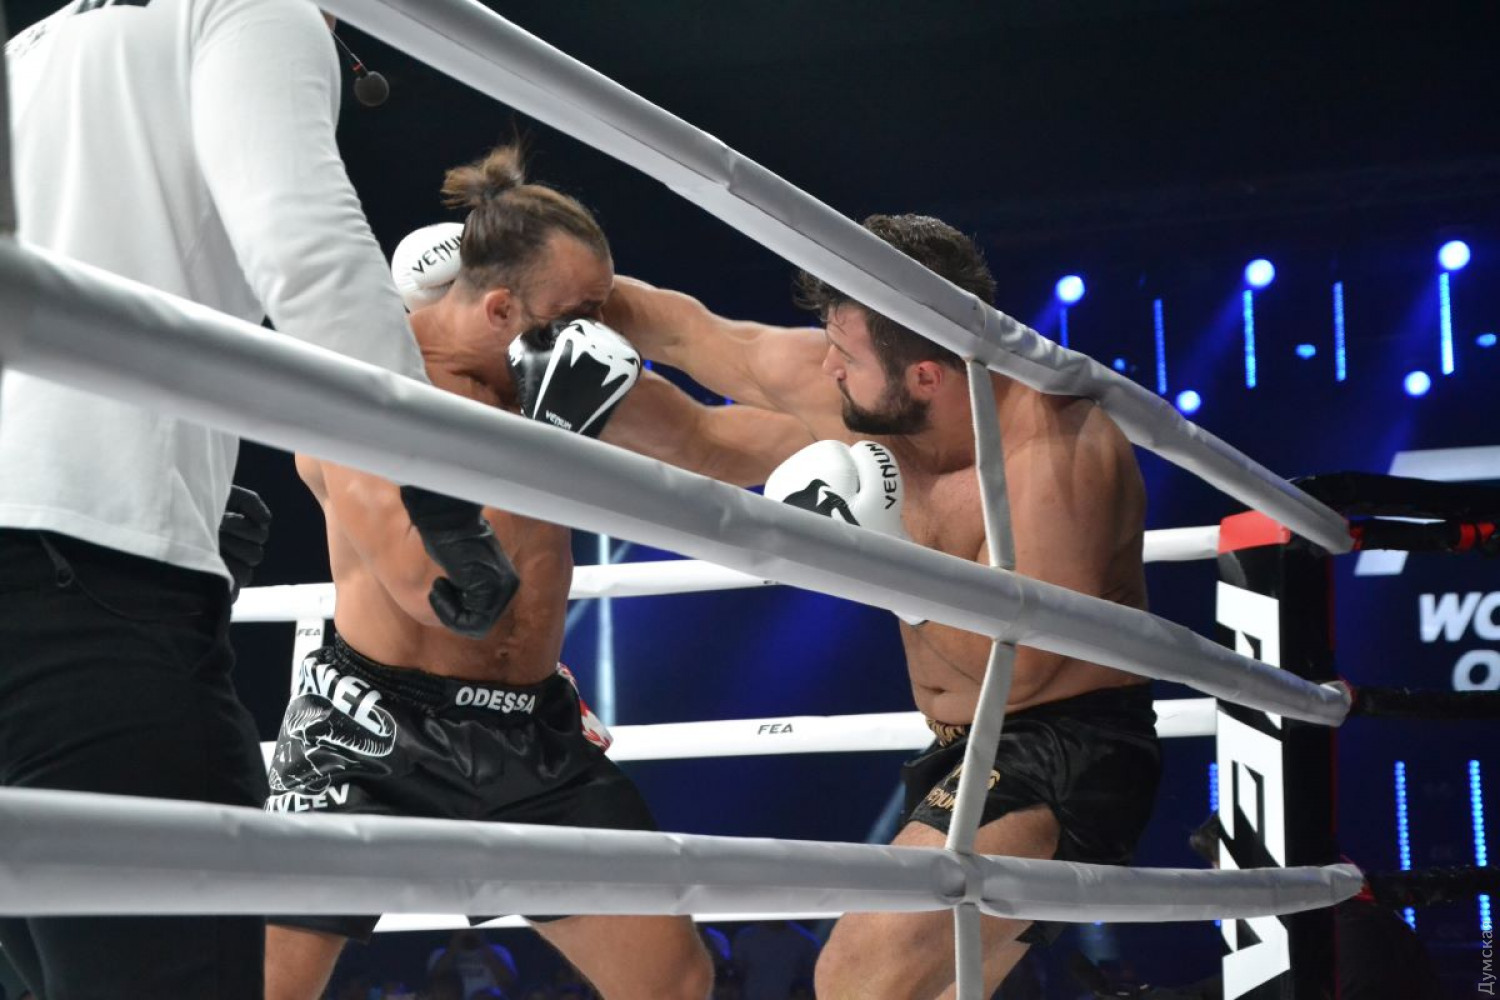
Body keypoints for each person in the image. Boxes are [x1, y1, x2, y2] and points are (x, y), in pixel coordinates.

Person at [0, 2, 514, 998]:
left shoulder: (35, 47)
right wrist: (435, 482)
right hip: (94, 585)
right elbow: (306, 249)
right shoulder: (247, 10)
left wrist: (185, 491)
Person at [263, 144, 807, 1000]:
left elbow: (710, 441)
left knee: (672, 980)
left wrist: (881, 442)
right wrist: (539, 443)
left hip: (530, 731)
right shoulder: (376, 383)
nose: (600, 328)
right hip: (372, 730)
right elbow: (435, 589)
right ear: (499, 306)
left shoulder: (552, 365)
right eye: (580, 309)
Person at [601, 213, 1163, 997]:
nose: (826, 365)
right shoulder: (870, 385)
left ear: (926, 376)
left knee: (857, 975)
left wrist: (887, 564)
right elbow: (693, 334)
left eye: (847, 354)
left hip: (1066, 748)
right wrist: (526, 283)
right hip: (960, 749)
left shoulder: (1051, 449)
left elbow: (1025, 668)